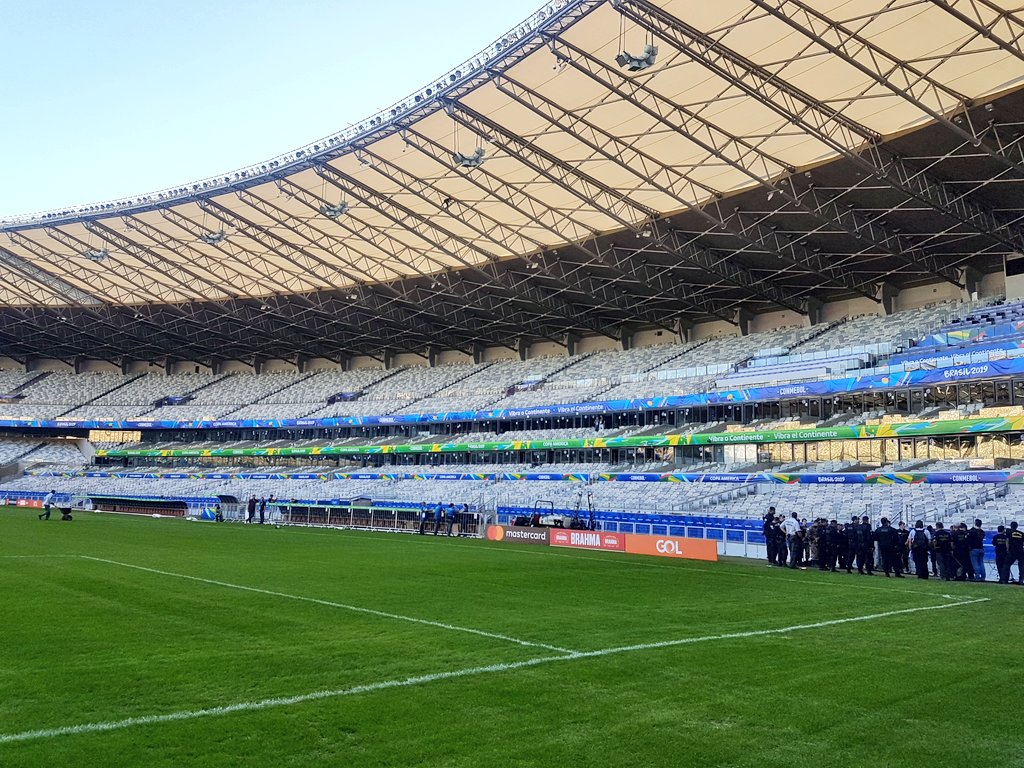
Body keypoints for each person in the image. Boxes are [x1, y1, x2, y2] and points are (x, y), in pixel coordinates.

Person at [1002, 521, 1024, 585]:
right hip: (1020, 551)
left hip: (1012, 551)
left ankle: (1005, 580)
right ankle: (1021, 580)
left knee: (1006, 565)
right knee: (1021, 566)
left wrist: (1007, 549)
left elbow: (1007, 541)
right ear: (1017, 526)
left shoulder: (1009, 532)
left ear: (1011, 526)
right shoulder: (1021, 533)